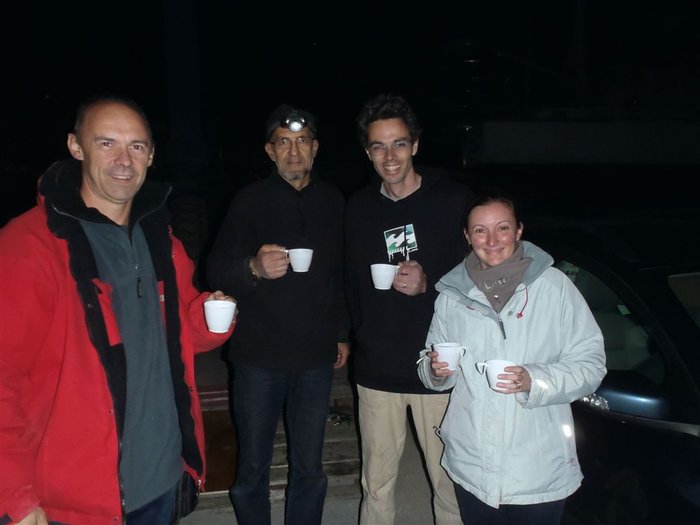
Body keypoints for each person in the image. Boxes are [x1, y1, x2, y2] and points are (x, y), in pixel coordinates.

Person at [0, 96, 237, 525]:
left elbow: (180, 332)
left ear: (151, 156)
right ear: (76, 147)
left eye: (137, 146)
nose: (124, 160)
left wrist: (211, 316)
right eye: (107, 143)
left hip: (163, 476)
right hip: (75, 498)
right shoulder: (28, 247)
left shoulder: (162, 241)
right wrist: (14, 493)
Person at [417, 187, 607, 524]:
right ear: (467, 236)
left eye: (502, 228)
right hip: (472, 465)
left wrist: (534, 380)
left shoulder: (555, 288)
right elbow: (431, 360)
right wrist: (436, 371)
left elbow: (591, 364)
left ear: (519, 230)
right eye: (480, 230)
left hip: (538, 469)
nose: (492, 240)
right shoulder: (452, 295)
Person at [206, 104, 350, 525]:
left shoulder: (332, 200)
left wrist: (340, 332)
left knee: (309, 467)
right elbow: (214, 270)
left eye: (302, 141)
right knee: (252, 467)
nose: (293, 151)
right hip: (257, 356)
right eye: (283, 142)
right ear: (270, 151)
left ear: (315, 148)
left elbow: (340, 274)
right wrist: (252, 267)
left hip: (314, 357)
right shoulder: (250, 200)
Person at [344, 93, 469, 524]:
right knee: (375, 485)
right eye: (378, 146)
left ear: (416, 144)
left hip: (438, 366)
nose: (389, 156)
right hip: (377, 370)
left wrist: (428, 286)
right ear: (368, 152)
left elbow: (477, 281)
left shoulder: (452, 202)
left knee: (449, 480)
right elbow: (349, 283)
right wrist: (350, 336)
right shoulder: (358, 209)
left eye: (398, 143)